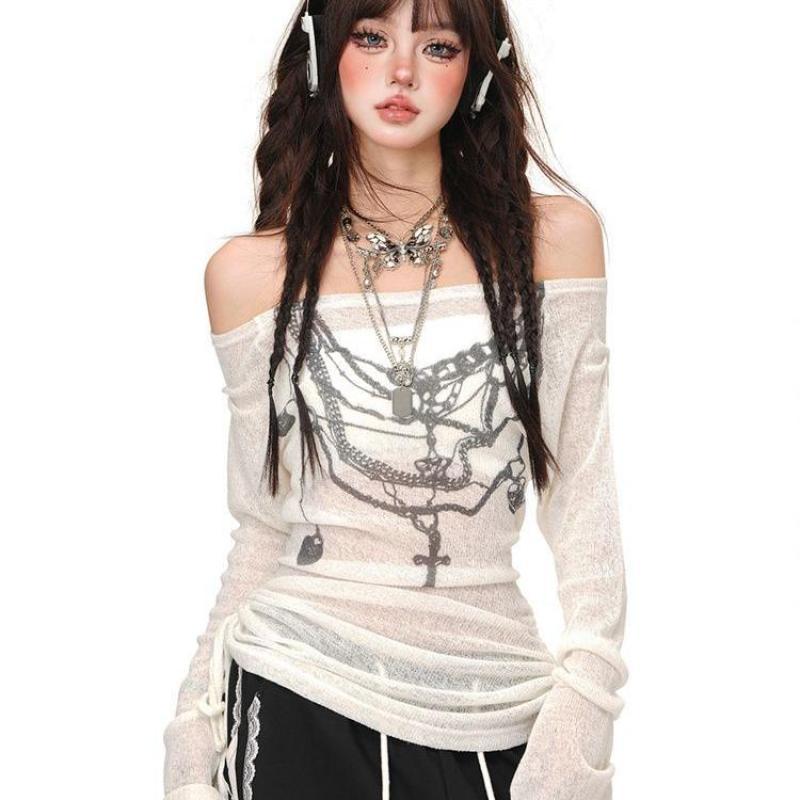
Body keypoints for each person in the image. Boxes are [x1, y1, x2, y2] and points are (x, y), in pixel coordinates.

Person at [161, 1, 628, 798]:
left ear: (478, 67)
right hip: (298, 687)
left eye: (436, 45)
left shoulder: (553, 244)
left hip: (494, 703)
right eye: (371, 38)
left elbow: (582, 492)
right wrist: (192, 734)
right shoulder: (250, 278)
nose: (401, 72)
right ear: (323, 54)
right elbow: (264, 524)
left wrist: (585, 702)